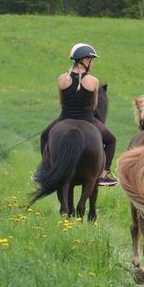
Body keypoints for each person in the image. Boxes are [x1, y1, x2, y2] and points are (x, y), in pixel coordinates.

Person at [39, 43, 118, 186]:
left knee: (44, 136)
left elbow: (62, 102)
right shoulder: (93, 81)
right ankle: (104, 172)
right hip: (88, 119)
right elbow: (94, 105)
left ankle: (46, 168)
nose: (92, 63)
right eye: (91, 60)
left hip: (65, 117)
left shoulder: (62, 79)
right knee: (111, 140)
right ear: (84, 60)